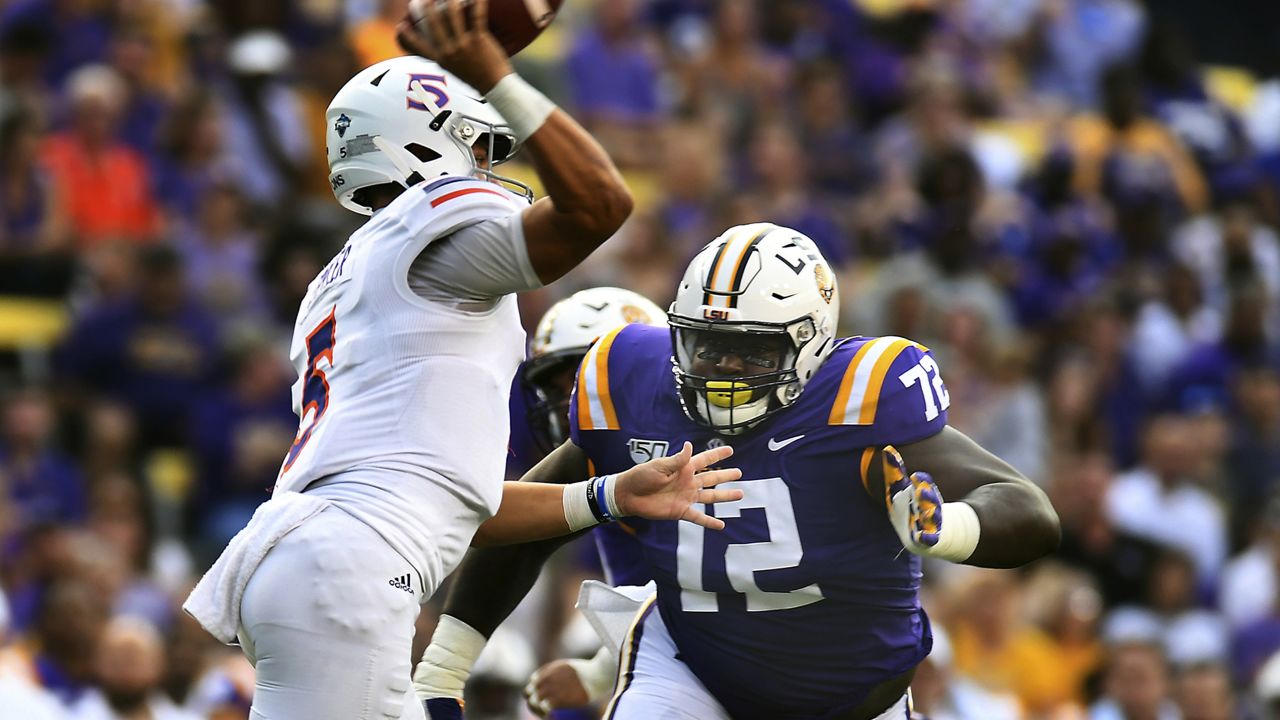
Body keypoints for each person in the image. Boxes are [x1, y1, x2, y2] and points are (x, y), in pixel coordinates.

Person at [183, 3, 744, 719]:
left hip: (317, 559)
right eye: (475, 146)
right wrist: (496, 76)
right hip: (349, 567)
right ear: (422, 147)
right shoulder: (430, 225)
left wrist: (607, 496)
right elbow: (600, 203)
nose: (486, 166)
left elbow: (454, 501)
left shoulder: (349, 282)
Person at [415, 222, 1061, 720]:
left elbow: (1029, 511)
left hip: (855, 701)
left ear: (810, 343)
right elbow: (534, 517)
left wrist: (940, 527)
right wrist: (442, 672)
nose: (721, 370)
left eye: (749, 353)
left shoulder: (860, 401)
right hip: (692, 669)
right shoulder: (637, 384)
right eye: (706, 345)